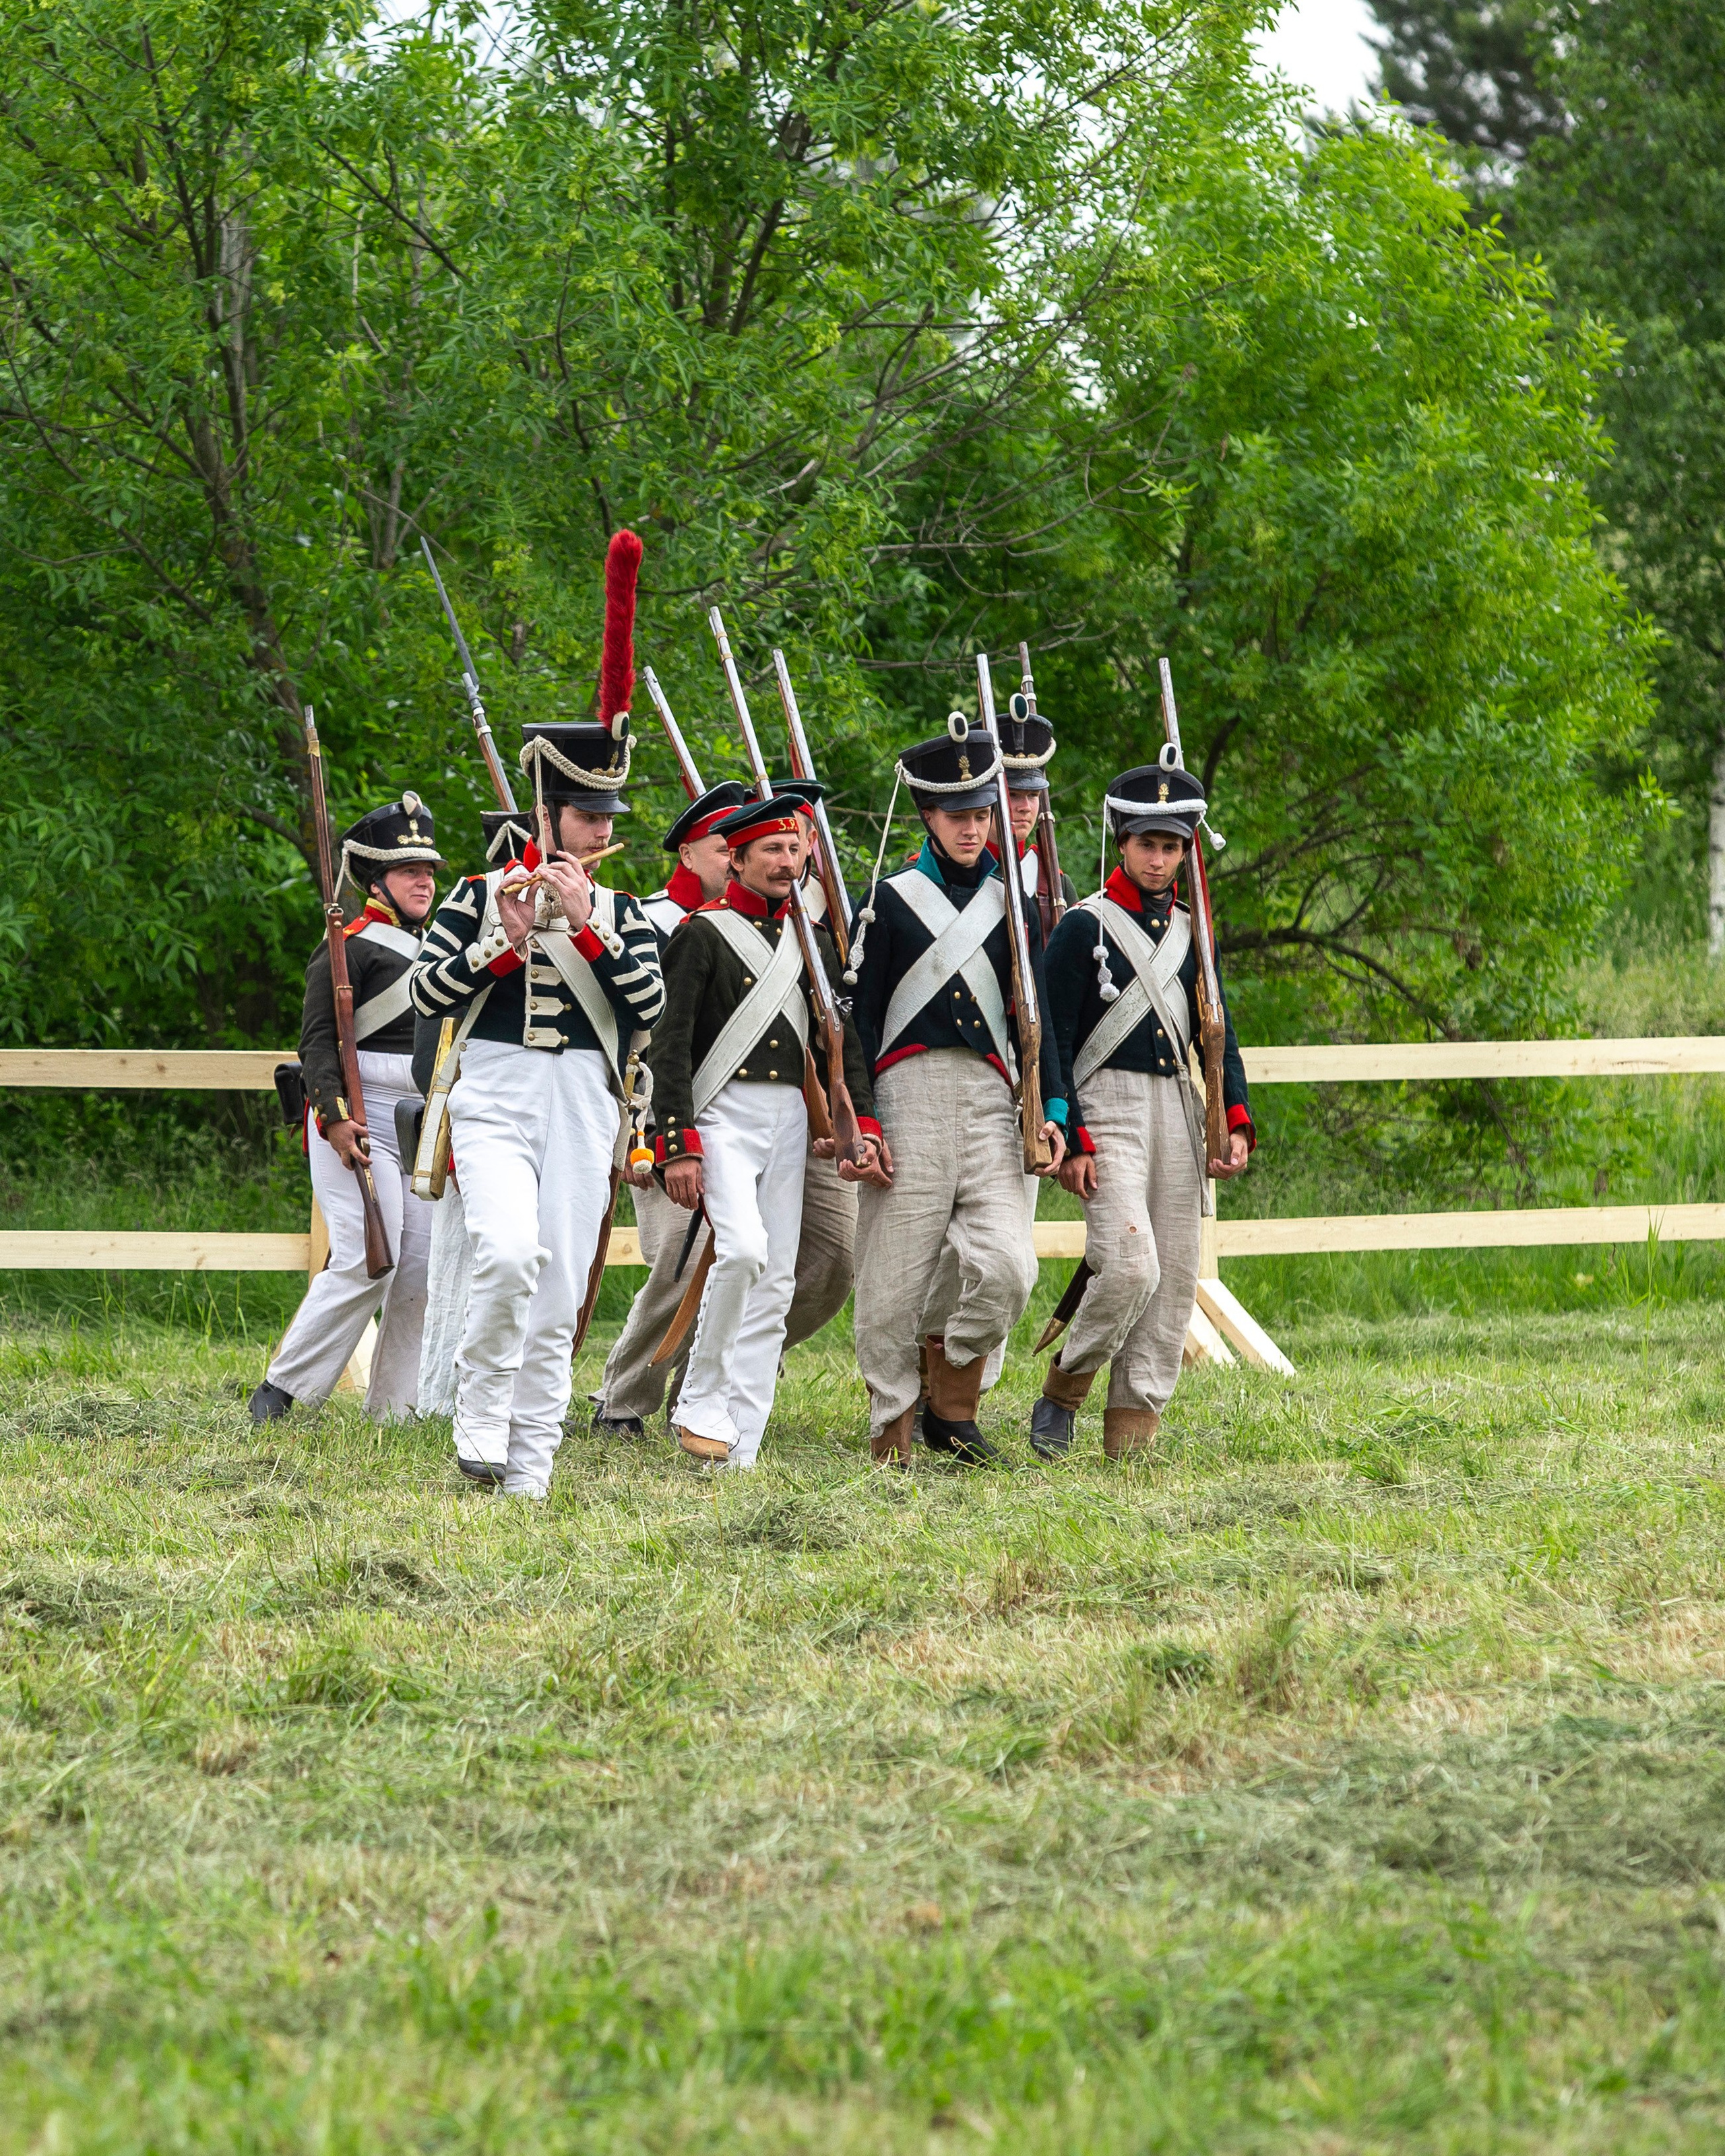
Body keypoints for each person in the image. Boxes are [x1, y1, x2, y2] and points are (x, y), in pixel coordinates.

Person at [409, 540, 666, 1496]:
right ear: (549, 813)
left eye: (610, 815)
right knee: (510, 1254)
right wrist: (501, 943)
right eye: (587, 815)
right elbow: (428, 998)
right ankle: (478, 1418)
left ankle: (531, 1463)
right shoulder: (481, 895)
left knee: (561, 1290)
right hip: (497, 1086)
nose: (603, 829)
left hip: (588, 1101)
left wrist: (591, 931)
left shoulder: (626, 911)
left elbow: (651, 1008)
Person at [593, 782, 862, 1439]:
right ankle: (696, 1400)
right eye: (769, 848)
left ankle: (741, 1427)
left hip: (789, 1121)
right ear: (733, 858)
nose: (785, 861)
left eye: (794, 849)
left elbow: (837, 1039)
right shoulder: (697, 933)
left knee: (773, 1280)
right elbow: (671, 1042)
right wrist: (675, 1140)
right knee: (738, 1253)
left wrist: (858, 1122)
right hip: (719, 1115)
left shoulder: (809, 940)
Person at [846, 718, 1067, 1467]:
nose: (972, 828)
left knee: (1010, 1266)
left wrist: (1057, 1107)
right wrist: (864, 1118)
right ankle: (891, 1421)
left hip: (992, 1101)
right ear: (928, 819)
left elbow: (1038, 1021)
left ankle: (952, 1397)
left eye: (981, 814)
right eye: (958, 816)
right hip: (907, 1096)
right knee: (892, 1280)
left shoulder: (1014, 904)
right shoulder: (889, 901)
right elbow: (859, 1021)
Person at [1036, 759, 1253, 1463]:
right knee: (1130, 1266)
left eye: (1171, 846)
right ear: (1121, 842)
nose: (1158, 859)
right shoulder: (1083, 927)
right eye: (1145, 844)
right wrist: (1070, 1134)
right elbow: (1056, 1039)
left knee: (1172, 1285)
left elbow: (1218, 1037)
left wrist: (1237, 1120)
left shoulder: (1194, 932)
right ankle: (1064, 1386)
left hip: (1178, 1112)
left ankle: (1132, 1430)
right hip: (1108, 1107)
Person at [250, 794, 444, 1424]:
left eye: (430, 870)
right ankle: (282, 1389)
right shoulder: (347, 948)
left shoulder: (440, 951)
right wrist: (333, 1116)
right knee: (367, 1258)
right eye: (409, 870)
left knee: (420, 1270)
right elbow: (318, 1041)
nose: (424, 880)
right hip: (356, 1115)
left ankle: (396, 1407)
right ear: (375, 879)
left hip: (418, 1121)